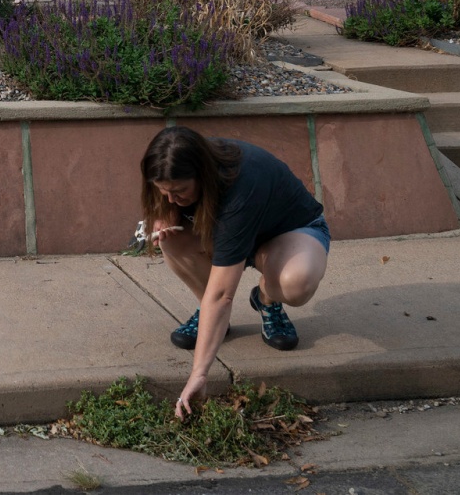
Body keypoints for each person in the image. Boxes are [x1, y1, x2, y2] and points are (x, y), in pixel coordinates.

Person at [141, 126, 330, 419]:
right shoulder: (175, 171)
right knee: (170, 235)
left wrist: (199, 374)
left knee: (296, 282)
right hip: (232, 234)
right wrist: (165, 216)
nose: (170, 198)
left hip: (287, 234)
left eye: (179, 191)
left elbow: (222, 294)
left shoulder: (242, 184)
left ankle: (266, 299)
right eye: (163, 190)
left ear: (202, 175)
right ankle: (211, 320)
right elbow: (166, 203)